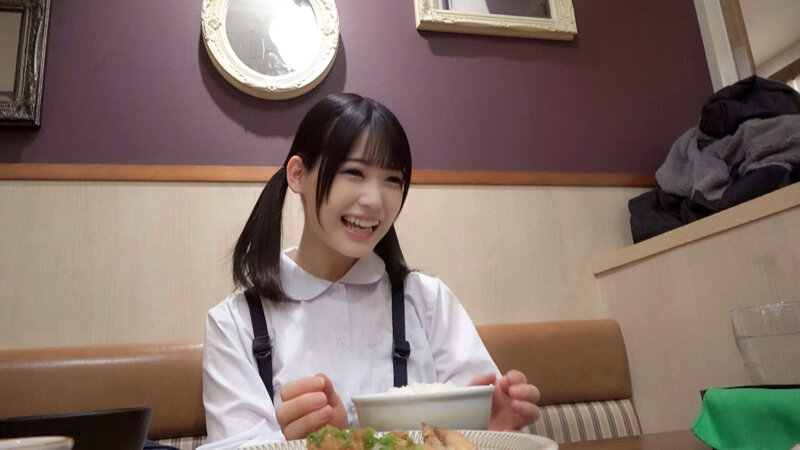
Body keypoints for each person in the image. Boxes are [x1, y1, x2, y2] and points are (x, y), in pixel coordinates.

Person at [199, 93, 540, 449]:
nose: (375, 201)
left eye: (392, 179)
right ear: (298, 175)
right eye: (354, 172)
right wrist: (300, 443)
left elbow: (480, 427)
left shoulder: (427, 301)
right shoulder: (235, 323)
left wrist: (490, 430)